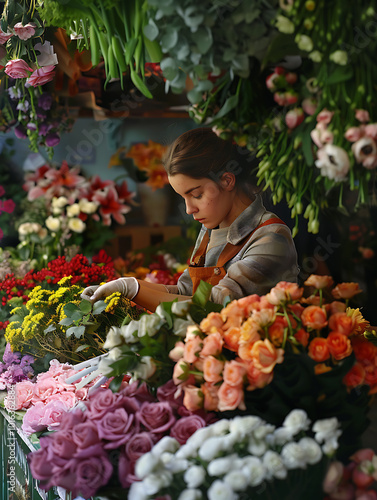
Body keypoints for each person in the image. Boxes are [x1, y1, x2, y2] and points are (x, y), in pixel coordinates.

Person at [81, 127, 299, 311]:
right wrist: (126, 285)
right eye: (183, 197)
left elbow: (214, 306)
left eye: (196, 195)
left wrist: (133, 291)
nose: (188, 209)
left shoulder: (270, 238)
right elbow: (187, 292)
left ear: (227, 180)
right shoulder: (211, 230)